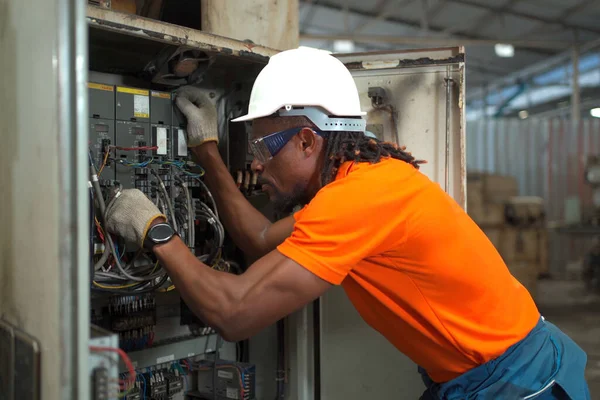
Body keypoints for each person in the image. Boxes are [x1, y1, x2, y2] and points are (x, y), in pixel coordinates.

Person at [105, 47, 590, 399]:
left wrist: (154, 231)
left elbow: (234, 315)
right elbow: (257, 242)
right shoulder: (364, 183)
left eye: (260, 149)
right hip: (483, 376)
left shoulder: (359, 200)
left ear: (307, 141)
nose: (254, 166)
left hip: (519, 382)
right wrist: (206, 150)